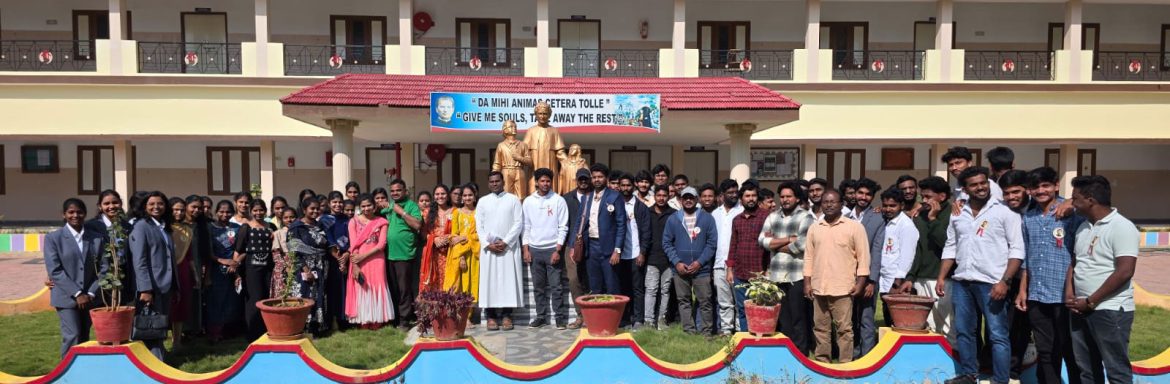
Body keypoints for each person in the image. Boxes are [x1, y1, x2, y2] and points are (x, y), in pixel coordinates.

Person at [937, 166, 1024, 384]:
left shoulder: (1005, 212)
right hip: (962, 282)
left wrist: (1005, 281)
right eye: (974, 184)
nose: (981, 187)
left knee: (997, 335)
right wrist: (941, 276)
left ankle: (1001, 379)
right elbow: (951, 245)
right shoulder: (958, 213)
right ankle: (969, 375)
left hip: (992, 283)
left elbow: (1017, 250)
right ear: (965, 189)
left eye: (983, 183)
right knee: (965, 331)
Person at [1015, 167, 1084, 384]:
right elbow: (1027, 256)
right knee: (1045, 350)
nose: (1041, 191)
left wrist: (1071, 201)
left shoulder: (1071, 214)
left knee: (1070, 349)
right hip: (1037, 293)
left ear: (1056, 186)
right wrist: (1023, 290)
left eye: (1046, 185)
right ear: (1029, 191)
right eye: (1035, 187)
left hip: (1065, 294)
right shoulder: (1029, 217)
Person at [1066, 175, 1138, 384]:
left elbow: (1125, 271)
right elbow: (1075, 262)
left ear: (1090, 200)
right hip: (1080, 307)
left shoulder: (1121, 227)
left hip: (1109, 309)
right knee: (1087, 370)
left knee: (1116, 370)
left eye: (1075, 198)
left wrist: (1091, 301)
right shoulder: (1084, 227)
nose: (1072, 203)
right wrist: (1070, 294)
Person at [803, 189, 870, 364]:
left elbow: (863, 257)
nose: (829, 205)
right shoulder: (814, 228)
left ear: (841, 204)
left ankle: (845, 363)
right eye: (825, 202)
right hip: (819, 287)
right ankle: (822, 361)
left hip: (843, 288)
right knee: (820, 328)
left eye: (833, 202)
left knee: (844, 329)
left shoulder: (854, 227)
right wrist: (807, 283)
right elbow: (809, 257)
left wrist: (861, 282)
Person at [759, 182, 815, 354]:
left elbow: (802, 245)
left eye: (789, 196)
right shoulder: (772, 216)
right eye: (782, 197)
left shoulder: (806, 217)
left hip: (797, 275)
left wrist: (775, 243)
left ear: (797, 198)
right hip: (776, 275)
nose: (785, 200)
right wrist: (787, 239)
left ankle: (801, 353)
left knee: (799, 316)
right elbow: (762, 241)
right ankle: (786, 352)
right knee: (783, 318)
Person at [45, 198, 105, 358]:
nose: (75, 215)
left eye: (79, 212)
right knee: (73, 335)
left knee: (84, 336)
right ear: (64, 214)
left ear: (85, 214)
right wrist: (78, 294)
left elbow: (104, 269)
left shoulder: (96, 238)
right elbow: (55, 270)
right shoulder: (53, 238)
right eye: (71, 212)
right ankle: (66, 376)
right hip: (66, 297)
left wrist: (91, 293)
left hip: (91, 297)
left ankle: (81, 373)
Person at [663, 186, 718, 335]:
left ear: (696, 199)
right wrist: (677, 262)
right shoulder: (673, 219)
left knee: (705, 301)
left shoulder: (707, 218)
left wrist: (700, 262)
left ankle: (706, 333)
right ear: (680, 200)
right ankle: (689, 331)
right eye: (685, 198)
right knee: (684, 301)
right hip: (680, 269)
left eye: (691, 198)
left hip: (702, 269)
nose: (688, 200)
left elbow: (712, 243)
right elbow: (667, 243)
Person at [907, 177, 955, 342]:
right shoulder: (920, 216)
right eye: (923, 197)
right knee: (928, 325)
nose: (924, 201)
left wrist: (934, 219)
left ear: (942, 197)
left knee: (948, 326)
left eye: (928, 197)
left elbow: (946, 244)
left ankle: (953, 361)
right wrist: (911, 277)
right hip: (921, 277)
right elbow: (918, 249)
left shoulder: (953, 214)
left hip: (944, 279)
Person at [129, 191, 176, 359]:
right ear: (145, 207)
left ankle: (158, 358)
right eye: (152, 204)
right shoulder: (141, 226)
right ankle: (155, 363)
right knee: (150, 327)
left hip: (165, 285)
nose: (156, 207)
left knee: (159, 326)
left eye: (160, 203)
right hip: (150, 287)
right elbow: (139, 260)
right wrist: (145, 289)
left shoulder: (164, 226)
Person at [477, 171, 525, 331]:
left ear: (503, 182)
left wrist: (505, 242)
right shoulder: (483, 201)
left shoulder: (513, 200)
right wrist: (487, 244)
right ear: (488, 183)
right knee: (489, 281)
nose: (494, 184)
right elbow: (479, 226)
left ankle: (506, 315)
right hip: (489, 250)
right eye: (491, 181)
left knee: (507, 281)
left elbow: (518, 223)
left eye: (497, 181)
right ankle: (491, 316)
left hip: (508, 249)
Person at [569, 163, 627, 295]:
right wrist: (573, 246)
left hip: (609, 248)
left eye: (600, 177)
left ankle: (614, 316)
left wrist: (617, 250)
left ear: (606, 178)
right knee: (595, 286)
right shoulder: (586, 197)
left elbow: (621, 226)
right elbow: (579, 223)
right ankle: (597, 315)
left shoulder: (614, 196)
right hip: (591, 247)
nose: (597, 179)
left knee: (612, 285)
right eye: (594, 177)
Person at [523, 168, 569, 329]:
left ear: (551, 182)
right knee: (538, 287)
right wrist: (526, 249)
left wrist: (558, 250)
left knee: (556, 286)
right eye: (542, 181)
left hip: (552, 250)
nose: (545, 183)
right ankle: (541, 316)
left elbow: (563, 227)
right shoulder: (529, 201)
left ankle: (560, 318)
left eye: (548, 181)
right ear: (536, 182)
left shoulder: (558, 200)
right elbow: (526, 226)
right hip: (535, 250)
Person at [726, 180, 770, 331]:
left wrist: (768, 269)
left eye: (753, 195)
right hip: (740, 272)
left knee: (760, 309)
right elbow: (733, 245)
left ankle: (760, 339)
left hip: (760, 272)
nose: (750, 199)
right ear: (741, 199)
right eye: (747, 196)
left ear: (757, 197)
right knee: (742, 308)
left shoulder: (766, 217)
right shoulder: (737, 220)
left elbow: (770, 245)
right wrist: (730, 269)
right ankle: (746, 338)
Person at [346, 194, 395, 328]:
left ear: (374, 206)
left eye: (369, 205)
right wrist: (355, 265)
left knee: (377, 287)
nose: (366, 208)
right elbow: (353, 244)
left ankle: (377, 319)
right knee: (363, 287)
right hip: (358, 260)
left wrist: (364, 256)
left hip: (376, 260)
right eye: (363, 206)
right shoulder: (353, 222)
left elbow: (381, 245)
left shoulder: (381, 221)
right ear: (359, 207)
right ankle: (364, 320)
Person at [379, 179, 423, 329]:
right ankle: (395, 318)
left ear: (405, 191)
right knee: (394, 288)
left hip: (405, 254)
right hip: (389, 254)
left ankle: (405, 320)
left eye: (398, 190)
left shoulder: (412, 206)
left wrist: (401, 212)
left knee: (404, 289)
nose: (395, 193)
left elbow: (417, 225)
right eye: (392, 191)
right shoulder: (389, 207)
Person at [287, 198, 332, 336]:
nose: (315, 211)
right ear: (304, 209)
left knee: (319, 295)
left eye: (317, 208)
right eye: (312, 208)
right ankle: (302, 327)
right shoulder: (296, 227)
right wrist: (306, 270)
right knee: (304, 294)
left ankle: (317, 327)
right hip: (304, 267)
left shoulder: (320, 226)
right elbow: (294, 251)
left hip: (321, 266)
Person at [850, 178, 884, 357]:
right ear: (854, 194)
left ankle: (868, 357)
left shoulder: (878, 219)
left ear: (872, 197)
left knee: (866, 319)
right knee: (848, 319)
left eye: (868, 194)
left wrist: (871, 280)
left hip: (867, 277)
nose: (863, 197)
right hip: (846, 277)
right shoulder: (844, 216)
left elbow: (877, 251)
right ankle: (852, 355)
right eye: (860, 193)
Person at [233, 199, 276, 341]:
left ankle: (266, 329)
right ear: (251, 211)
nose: (258, 213)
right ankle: (252, 332)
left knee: (267, 297)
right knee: (254, 298)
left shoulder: (271, 226)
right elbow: (238, 250)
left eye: (261, 210)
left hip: (269, 267)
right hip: (252, 268)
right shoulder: (246, 227)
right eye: (255, 210)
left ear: (265, 211)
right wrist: (237, 272)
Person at [85, 190, 134, 306]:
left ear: (121, 203)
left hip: (124, 280)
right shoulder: (91, 226)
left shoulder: (127, 227)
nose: (111, 206)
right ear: (100, 206)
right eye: (106, 204)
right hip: (100, 280)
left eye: (115, 202)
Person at [617, 172, 651, 328]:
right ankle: (624, 318)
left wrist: (642, 252)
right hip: (618, 255)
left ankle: (638, 319)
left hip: (635, 254)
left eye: (628, 185)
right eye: (622, 185)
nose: (625, 188)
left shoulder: (641, 207)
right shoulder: (614, 204)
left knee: (637, 288)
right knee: (622, 288)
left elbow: (646, 232)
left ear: (634, 186)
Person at [206, 200, 242, 342]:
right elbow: (207, 251)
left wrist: (235, 264)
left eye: (228, 212)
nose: (224, 214)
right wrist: (221, 261)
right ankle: (214, 333)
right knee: (216, 301)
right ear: (216, 212)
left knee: (231, 300)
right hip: (216, 270)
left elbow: (241, 248)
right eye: (221, 211)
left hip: (234, 270)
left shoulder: (237, 228)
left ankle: (228, 331)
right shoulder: (210, 228)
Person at [445, 183, 481, 323]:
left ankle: (469, 316)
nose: (467, 198)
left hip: (474, 253)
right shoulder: (456, 213)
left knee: (472, 283)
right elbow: (454, 236)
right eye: (464, 195)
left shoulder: (479, 212)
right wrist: (460, 257)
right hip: (459, 254)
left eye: (470, 195)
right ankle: (459, 315)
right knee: (458, 285)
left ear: (475, 196)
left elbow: (480, 233)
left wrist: (465, 237)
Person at [562, 169, 593, 329]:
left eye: (586, 179)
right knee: (574, 280)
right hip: (571, 245)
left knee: (590, 280)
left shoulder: (595, 197)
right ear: (576, 180)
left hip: (593, 244)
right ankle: (581, 315)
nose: (583, 182)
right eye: (581, 179)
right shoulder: (567, 198)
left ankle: (592, 316)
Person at [710, 179, 743, 334]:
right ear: (722, 195)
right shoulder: (715, 214)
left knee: (738, 300)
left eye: (735, 192)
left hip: (737, 265)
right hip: (718, 263)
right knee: (724, 301)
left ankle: (739, 330)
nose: (733, 195)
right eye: (730, 193)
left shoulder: (742, 212)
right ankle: (726, 330)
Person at [876, 188, 919, 300]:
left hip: (896, 282)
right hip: (885, 279)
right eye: (885, 206)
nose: (888, 209)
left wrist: (897, 282)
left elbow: (907, 256)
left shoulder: (906, 225)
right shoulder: (885, 221)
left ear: (902, 205)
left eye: (892, 206)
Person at [168, 197, 200, 347]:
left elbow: (189, 255)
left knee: (180, 305)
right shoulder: (163, 227)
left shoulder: (187, 230)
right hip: (165, 269)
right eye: (175, 209)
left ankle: (177, 340)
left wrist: (195, 274)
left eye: (181, 210)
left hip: (183, 269)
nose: (179, 213)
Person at [644, 185, 676, 330]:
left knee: (665, 291)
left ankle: (662, 320)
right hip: (651, 258)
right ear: (654, 196)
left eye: (664, 195)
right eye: (659, 195)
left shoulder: (674, 214)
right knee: (651, 290)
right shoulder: (647, 212)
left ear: (669, 196)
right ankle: (648, 321)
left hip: (669, 260)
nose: (661, 198)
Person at [523, 101, 568, 194]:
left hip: (551, 168)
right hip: (534, 169)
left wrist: (569, 163)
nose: (542, 116)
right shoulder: (531, 131)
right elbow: (523, 151)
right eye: (540, 114)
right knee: (533, 194)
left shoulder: (554, 131)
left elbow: (560, 153)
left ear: (549, 115)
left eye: (545, 114)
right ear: (535, 115)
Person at [419, 185, 454, 293]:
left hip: (450, 251)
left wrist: (448, 238)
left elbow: (460, 231)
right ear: (434, 197)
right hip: (433, 252)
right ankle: (434, 309)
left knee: (450, 280)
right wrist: (433, 239)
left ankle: (449, 308)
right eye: (437, 194)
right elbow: (422, 232)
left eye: (443, 194)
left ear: (447, 196)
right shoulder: (427, 212)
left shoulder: (455, 212)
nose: (440, 196)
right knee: (434, 281)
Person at [493, 120, 533, 200]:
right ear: (505, 130)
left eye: (515, 127)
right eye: (511, 127)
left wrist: (519, 158)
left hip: (519, 171)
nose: (514, 128)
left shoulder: (523, 145)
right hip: (506, 171)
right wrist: (494, 176)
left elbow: (530, 162)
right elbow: (497, 163)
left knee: (521, 196)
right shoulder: (501, 145)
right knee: (506, 196)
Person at [270, 208, 296, 298]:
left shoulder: (299, 232)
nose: (289, 220)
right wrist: (286, 267)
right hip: (282, 269)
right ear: (282, 219)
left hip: (297, 266)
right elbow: (276, 254)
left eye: (292, 217)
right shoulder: (278, 233)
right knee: (282, 295)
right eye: (286, 217)